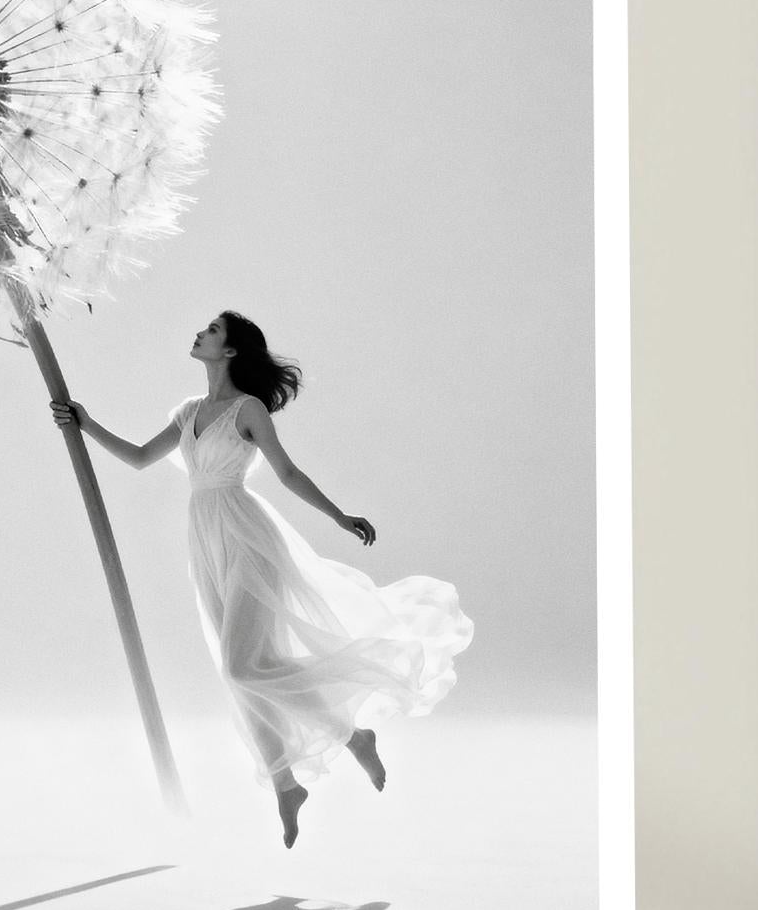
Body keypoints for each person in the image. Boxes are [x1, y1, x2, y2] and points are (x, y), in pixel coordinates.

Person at [50, 312, 470, 846]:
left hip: (248, 537)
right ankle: (288, 782)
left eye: (212, 331)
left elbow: (287, 472)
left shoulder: (247, 410)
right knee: (241, 669)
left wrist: (339, 516)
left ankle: (350, 737)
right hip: (205, 541)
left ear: (230, 352)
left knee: (243, 665)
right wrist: (84, 423)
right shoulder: (188, 412)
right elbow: (137, 458)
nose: (199, 333)